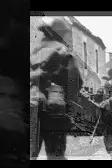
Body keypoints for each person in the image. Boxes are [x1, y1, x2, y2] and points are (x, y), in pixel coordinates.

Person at [30, 17, 83, 159]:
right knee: (56, 155)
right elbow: (75, 84)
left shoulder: (34, 53)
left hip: (32, 106)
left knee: (31, 154)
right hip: (55, 109)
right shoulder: (64, 53)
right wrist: (71, 112)